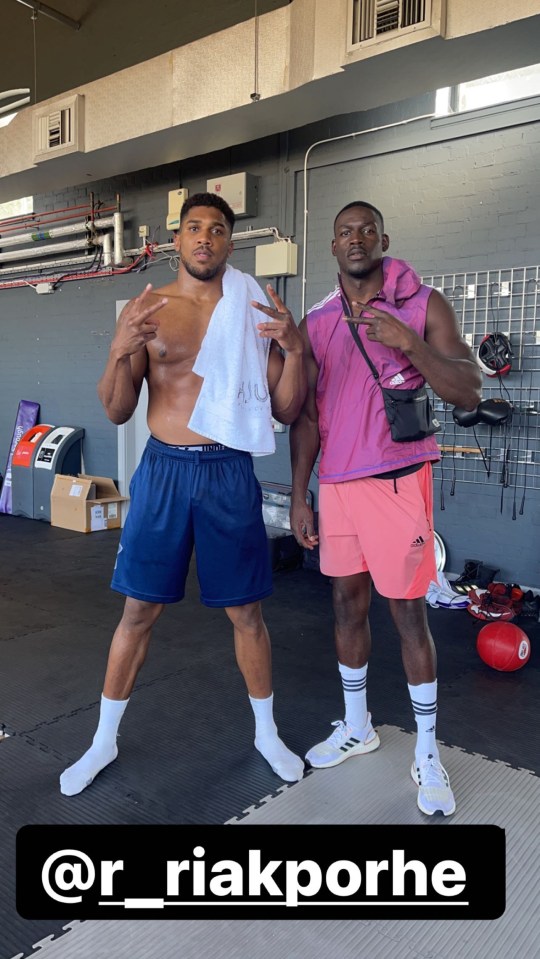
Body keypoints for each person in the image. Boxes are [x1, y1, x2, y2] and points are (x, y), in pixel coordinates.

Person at [60, 192, 307, 796]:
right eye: (194, 227)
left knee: (246, 611)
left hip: (228, 471)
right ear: (177, 239)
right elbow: (118, 410)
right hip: (165, 471)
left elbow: (286, 406)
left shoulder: (253, 308)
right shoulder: (152, 311)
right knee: (138, 610)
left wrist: (294, 349)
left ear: (229, 241)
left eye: (218, 229)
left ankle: (266, 734)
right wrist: (120, 348)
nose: (205, 238)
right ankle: (102, 742)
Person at [289, 200, 482, 816]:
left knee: (407, 616)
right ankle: (357, 725)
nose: (355, 239)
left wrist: (408, 344)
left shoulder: (423, 304)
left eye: (365, 230)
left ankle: (427, 751)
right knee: (346, 605)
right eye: (344, 231)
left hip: (399, 478)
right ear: (333, 246)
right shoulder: (317, 320)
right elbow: (309, 417)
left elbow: (468, 386)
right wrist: (299, 492)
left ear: (382, 239)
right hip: (339, 485)